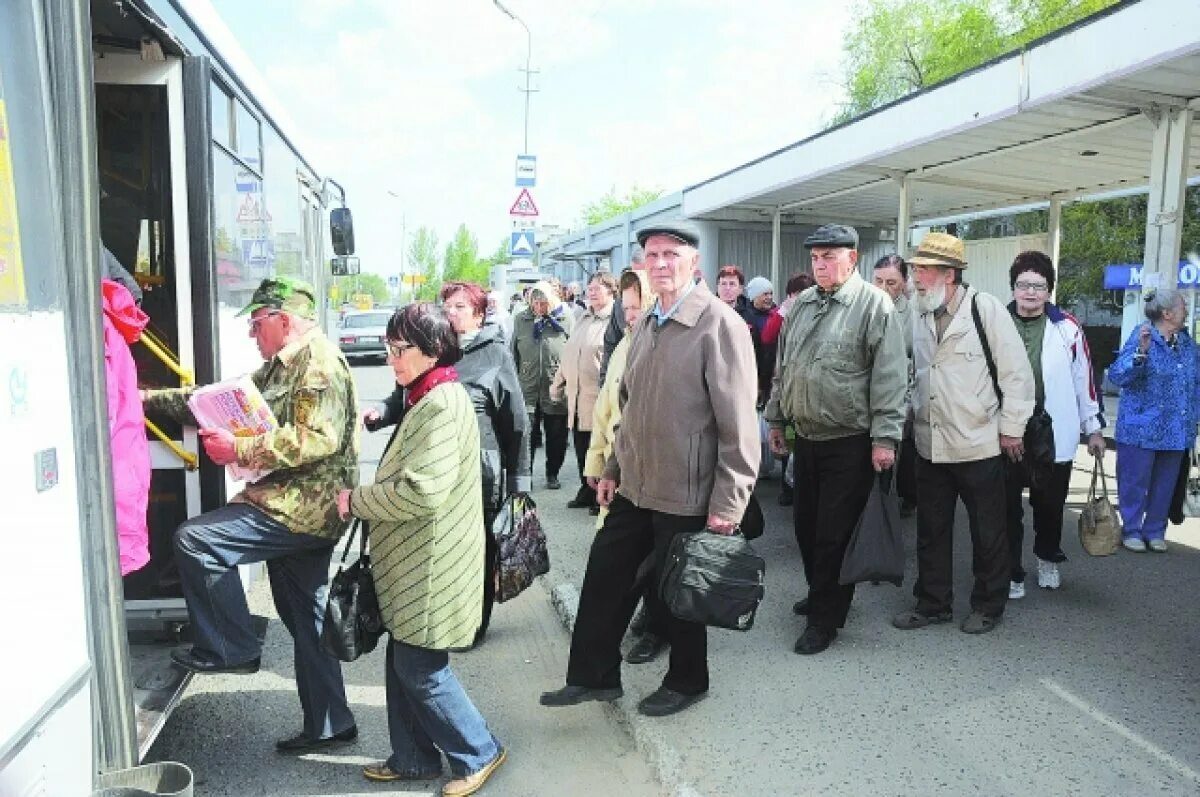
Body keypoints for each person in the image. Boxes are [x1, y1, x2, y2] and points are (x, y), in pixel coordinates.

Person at [540, 221, 759, 718]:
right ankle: (594, 677)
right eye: (651, 255)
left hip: (688, 489)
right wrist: (613, 468)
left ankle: (688, 680)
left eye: (670, 254)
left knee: (679, 594)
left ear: (693, 262)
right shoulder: (647, 323)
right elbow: (630, 406)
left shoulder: (718, 325)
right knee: (605, 576)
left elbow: (739, 426)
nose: (660, 263)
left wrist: (729, 505)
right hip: (635, 484)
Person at [142, 276, 358, 752]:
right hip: (296, 505)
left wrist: (239, 446)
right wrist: (143, 401)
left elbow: (317, 439)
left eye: (258, 323)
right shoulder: (282, 364)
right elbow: (214, 400)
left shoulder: (317, 364)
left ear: (284, 320)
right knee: (308, 621)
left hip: (302, 508)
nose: (251, 333)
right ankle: (331, 725)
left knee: (196, 541)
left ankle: (230, 647)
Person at [338, 304, 506, 795]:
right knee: (403, 660)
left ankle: (480, 750)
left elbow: (421, 491)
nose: (392, 358)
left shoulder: (440, 403)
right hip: (417, 562)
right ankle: (412, 757)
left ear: (433, 350)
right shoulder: (426, 393)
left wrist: (356, 501)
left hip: (433, 565)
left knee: (421, 668)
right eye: (389, 348)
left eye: (400, 349)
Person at [765, 224, 907, 655]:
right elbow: (784, 369)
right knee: (806, 528)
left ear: (853, 258)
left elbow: (889, 380)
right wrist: (776, 420)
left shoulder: (875, 306)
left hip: (851, 440)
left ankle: (825, 620)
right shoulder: (803, 305)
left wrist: (885, 439)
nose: (820, 265)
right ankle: (821, 590)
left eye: (829, 256)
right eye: (815, 258)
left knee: (833, 534)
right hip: (806, 437)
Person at [366, 282, 531, 646]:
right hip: (432, 462)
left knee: (477, 546)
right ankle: (436, 617)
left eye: (460, 306)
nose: (451, 312)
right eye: (447, 305)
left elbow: (516, 420)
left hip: (480, 468)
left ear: (479, 314)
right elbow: (403, 396)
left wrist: (520, 482)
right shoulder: (432, 349)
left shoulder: (495, 355)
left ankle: (473, 623)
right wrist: (381, 412)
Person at [892, 233, 1034, 635]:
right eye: (915, 269)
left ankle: (989, 605)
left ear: (949, 274)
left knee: (988, 531)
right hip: (930, 443)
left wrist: (1012, 430)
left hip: (979, 442)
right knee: (930, 529)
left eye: (923, 269)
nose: (915, 277)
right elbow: (912, 373)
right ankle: (932, 602)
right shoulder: (919, 313)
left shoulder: (983, 309)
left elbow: (1017, 374)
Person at [1004, 252, 1106, 595]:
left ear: (1049, 291)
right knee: (1005, 508)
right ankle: (1011, 571)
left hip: (1052, 430)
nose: (1030, 292)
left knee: (1048, 505)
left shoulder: (1067, 327)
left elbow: (1084, 380)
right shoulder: (996, 322)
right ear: (1013, 287)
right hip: (1006, 429)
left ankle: (1047, 558)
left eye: (1038, 286)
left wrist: (1093, 428)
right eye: (1023, 284)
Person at [582, 269, 668, 664]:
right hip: (621, 469)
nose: (631, 316)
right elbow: (605, 411)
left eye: (639, 307)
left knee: (654, 559)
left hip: (655, 474)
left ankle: (657, 627)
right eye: (627, 308)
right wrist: (596, 462)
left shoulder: (660, 346)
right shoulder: (624, 346)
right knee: (622, 559)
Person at [1107, 287, 1200, 553]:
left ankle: (1155, 530)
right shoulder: (1143, 335)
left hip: (1176, 430)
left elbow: (1195, 383)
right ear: (1168, 313)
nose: (1186, 313)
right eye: (1183, 308)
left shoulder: (1186, 343)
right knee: (1134, 483)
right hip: (1141, 428)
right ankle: (1132, 530)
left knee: (1165, 485)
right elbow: (1118, 375)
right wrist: (1141, 353)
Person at [551, 272, 617, 511]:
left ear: (611, 292)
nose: (591, 293)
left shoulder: (612, 321)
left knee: (597, 448)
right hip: (575, 397)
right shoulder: (583, 317)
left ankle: (598, 494)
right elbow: (568, 354)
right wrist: (557, 385)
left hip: (596, 397)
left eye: (596, 289)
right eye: (589, 289)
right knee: (580, 447)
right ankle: (585, 488)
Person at [511, 280, 575, 489]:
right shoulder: (521, 320)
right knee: (525, 435)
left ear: (552, 300)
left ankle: (552, 473)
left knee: (556, 435)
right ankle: (525, 476)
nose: (539, 307)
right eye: (535, 303)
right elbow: (513, 353)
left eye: (543, 303)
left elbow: (574, 353)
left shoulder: (565, 319)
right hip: (527, 388)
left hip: (556, 387)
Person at [762, 271, 816, 507]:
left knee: (801, 446)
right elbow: (767, 336)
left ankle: (800, 488)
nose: (799, 298)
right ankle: (787, 487)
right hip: (781, 383)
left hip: (806, 393)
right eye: (794, 293)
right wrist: (784, 311)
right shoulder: (782, 314)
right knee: (787, 440)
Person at [873, 254, 918, 516]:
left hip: (898, 397)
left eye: (891, 282)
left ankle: (894, 504)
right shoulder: (865, 305)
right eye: (878, 281)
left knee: (892, 455)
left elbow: (914, 359)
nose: (884, 288)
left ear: (904, 283)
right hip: (866, 397)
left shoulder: (911, 314)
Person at [600, 244, 646, 384]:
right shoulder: (620, 305)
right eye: (634, 273)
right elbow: (610, 344)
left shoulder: (667, 308)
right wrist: (604, 383)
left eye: (643, 274)